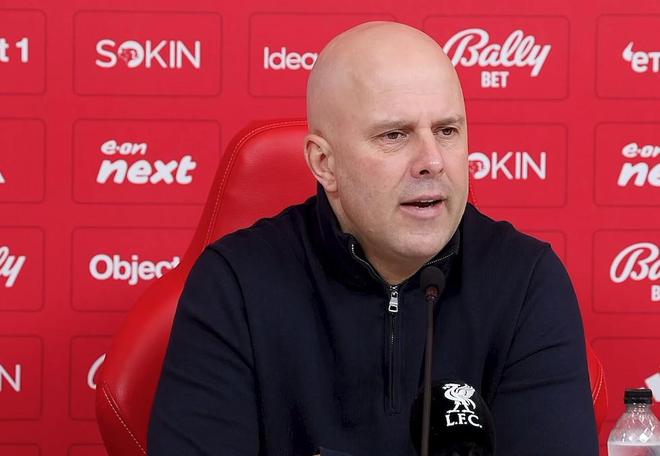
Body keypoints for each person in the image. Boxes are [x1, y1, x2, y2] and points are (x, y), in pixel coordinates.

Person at [148, 21, 599, 455]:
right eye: (394, 135)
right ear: (324, 163)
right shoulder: (234, 284)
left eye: (447, 131)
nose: (432, 161)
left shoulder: (526, 279)